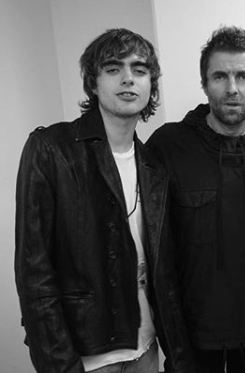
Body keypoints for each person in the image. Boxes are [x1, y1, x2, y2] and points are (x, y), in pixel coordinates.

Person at [15, 28, 191, 373]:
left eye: (139, 70)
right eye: (113, 69)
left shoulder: (154, 165)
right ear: (93, 83)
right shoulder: (52, 149)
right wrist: (59, 365)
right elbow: (34, 273)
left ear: (151, 85)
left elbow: (163, 272)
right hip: (87, 357)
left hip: (147, 349)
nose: (128, 79)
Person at [146, 26, 245, 372]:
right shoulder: (168, 147)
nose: (232, 88)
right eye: (220, 76)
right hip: (191, 331)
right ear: (205, 83)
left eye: (243, 76)